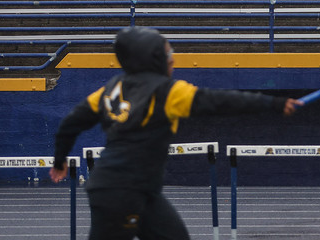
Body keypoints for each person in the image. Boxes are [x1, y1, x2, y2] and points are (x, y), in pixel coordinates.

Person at [49, 27, 302, 240]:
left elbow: (70, 124)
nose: (173, 59)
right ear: (152, 57)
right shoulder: (168, 91)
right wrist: (274, 104)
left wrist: (60, 161)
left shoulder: (111, 89)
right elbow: (221, 101)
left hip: (140, 191)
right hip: (123, 191)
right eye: (167, 52)